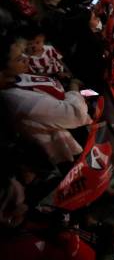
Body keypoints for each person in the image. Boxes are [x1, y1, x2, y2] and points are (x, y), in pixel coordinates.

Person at [0, 33, 90, 165]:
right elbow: (75, 114)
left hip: (76, 113)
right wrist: (73, 86)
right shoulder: (17, 99)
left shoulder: (18, 75)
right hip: (71, 147)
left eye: (24, 53)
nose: (26, 58)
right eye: (19, 59)